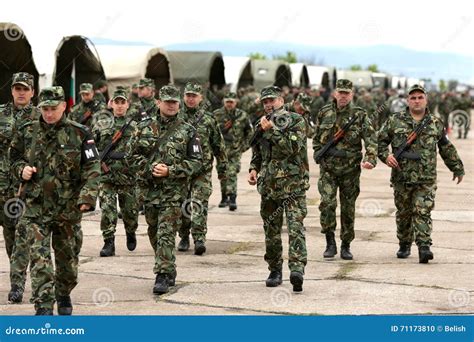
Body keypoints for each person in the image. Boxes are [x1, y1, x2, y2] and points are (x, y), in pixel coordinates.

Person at [9, 86, 100, 315]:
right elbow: (13, 159)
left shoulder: (80, 133)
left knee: (68, 263)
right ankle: (44, 307)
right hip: (35, 209)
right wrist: (21, 170)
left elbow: (92, 168)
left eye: (53, 109)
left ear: (63, 107)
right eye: (45, 109)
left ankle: (63, 292)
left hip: (67, 209)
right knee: (40, 262)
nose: (48, 114)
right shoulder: (27, 131)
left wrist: (87, 197)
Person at [378, 84, 464, 263]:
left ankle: (424, 247)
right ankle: (404, 243)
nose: (417, 101)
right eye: (413, 98)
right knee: (403, 213)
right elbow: (379, 142)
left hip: (426, 178)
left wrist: (457, 167)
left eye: (420, 97)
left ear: (426, 100)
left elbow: (445, 147)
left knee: (422, 210)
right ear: (407, 101)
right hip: (401, 177)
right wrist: (386, 156)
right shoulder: (395, 120)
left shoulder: (435, 122)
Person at [132, 85, 202, 294]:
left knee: (166, 232)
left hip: (174, 192)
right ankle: (167, 264)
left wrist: (171, 170)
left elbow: (197, 162)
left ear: (178, 104)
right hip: (149, 191)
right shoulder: (142, 127)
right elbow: (131, 157)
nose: (171, 105)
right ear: (158, 103)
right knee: (153, 229)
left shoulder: (188, 130)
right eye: (167, 101)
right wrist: (150, 168)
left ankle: (162, 273)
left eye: (174, 102)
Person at [248, 85, 309, 292]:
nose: (268, 104)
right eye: (265, 101)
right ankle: (275, 270)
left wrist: (271, 130)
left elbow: (293, 148)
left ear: (281, 101)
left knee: (295, 229)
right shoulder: (261, 123)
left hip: (293, 186)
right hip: (269, 187)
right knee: (271, 232)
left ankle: (297, 269)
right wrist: (253, 168)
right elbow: (257, 151)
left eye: (272, 100)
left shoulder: (296, 120)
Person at [313, 79, 377, 260]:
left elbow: (371, 139)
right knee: (327, 204)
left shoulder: (360, 115)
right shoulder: (324, 113)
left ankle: (346, 245)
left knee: (348, 209)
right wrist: (318, 152)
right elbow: (317, 138)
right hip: (328, 170)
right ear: (335, 93)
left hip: (350, 170)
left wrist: (370, 158)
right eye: (340, 92)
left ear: (352, 94)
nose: (343, 96)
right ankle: (330, 242)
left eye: (346, 93)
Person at [1, 72, 40, 304]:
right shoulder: (1, 114)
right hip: (1, 186)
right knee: (9, 237)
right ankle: (18, 275)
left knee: (22, 236)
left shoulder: (39, 117)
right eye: (18, 88)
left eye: (25, 89)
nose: (21, 92)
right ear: (12, 91)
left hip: (25, 188)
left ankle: (17, 283)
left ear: (33, 92)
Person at [177, 82, 227, 255]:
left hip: (202, 170)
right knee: (182, 204)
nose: (190, 99)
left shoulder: (208, 119)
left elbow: (218, 146)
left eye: (194, 96)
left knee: (199, 203)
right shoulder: (176, 116)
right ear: (183, 97)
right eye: (188, 95)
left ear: (201, 98)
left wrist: (223, 170)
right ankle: (183, 235)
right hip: (181, 171)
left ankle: (199, 238)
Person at [94, 89, 139, 257]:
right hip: (107, 176)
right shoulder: (101, 124)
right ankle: (109, 242)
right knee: (107, 209)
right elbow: (92, 145)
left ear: (127, 104)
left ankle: (130, 231)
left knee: (129, 211)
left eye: (122, 102)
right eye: (116, 102)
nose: (119, 106)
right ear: (110, 103)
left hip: (128, 175)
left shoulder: (135, 126)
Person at [213, 92, 252, 210]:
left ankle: (232, 198)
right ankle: (224, 197)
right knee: (222, 173)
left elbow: (249, 133)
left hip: (235, 151)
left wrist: (243, 147)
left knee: (232, 172)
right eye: (227, 102)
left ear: (236, 102)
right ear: (224, 102)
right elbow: (211, 132)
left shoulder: (243, 115)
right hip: (221, 151)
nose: (229, 104)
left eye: (231, 102)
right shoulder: (216, 114)